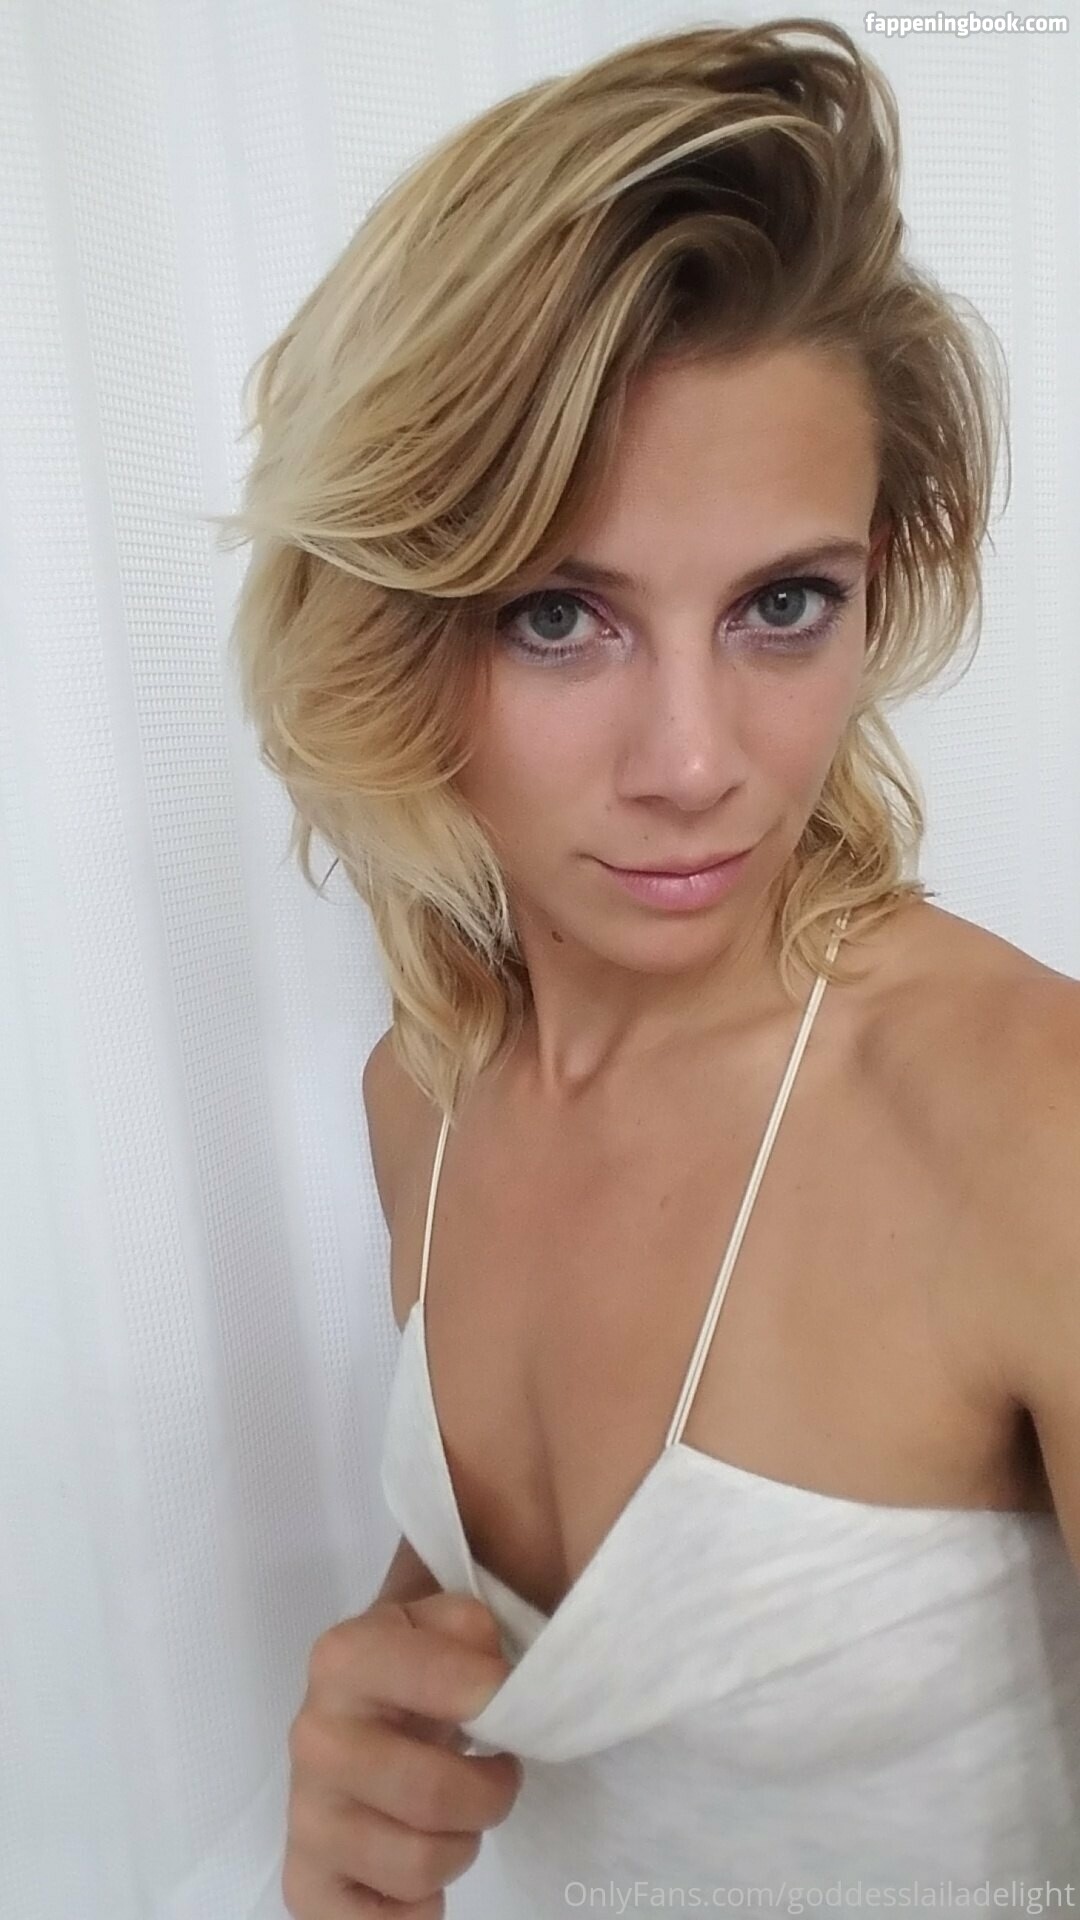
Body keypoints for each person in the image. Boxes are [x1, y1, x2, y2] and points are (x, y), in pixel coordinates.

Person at [213, 14, 1080, 1910]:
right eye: (559, 615)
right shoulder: (422, 1096)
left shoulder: (1030, 1122)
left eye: (785, 603)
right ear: (389, 628)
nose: (694, 764)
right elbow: (586, 1647)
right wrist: (368, 1767)